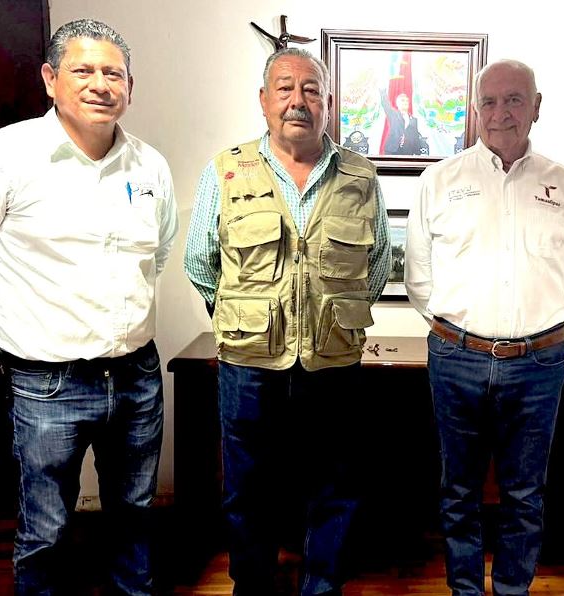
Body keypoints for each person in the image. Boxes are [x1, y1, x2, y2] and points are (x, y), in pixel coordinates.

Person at [0, 18, 178, 595]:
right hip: (47, 383)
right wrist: (13, 319)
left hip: (136, 376)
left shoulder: (150, 166)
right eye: (82, 70)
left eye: (113, 73)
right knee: (47, 527)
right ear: (49, 78)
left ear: (130, 86)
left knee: (134, 514)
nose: (100, 85)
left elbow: (158, 254)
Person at [184, 47, 391, 596]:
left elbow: (376, 265)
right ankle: (253, 587)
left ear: (327, 102)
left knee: (334, 485)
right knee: (248, 487)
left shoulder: (360, 175)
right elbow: (201, 262)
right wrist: (244, 318)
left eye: (310, 89)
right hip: (249, 364)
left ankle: (321, 586)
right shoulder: (226, 170)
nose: (297, 100)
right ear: (263, 100)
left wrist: (333, 317)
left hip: (332, 361)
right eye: (284, 88)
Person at [405, 59, 564, 596]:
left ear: (537, 107)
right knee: (458, 491)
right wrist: (463, 331)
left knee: (525, 494)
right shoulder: (440, 181)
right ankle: (465, 590)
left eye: (514, 100)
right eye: (489, 101)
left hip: (539, 363)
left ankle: (512, 590)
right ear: (474, 110)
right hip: (456, 359)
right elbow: (419, 278)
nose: (501, 113)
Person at [380, 89, 426, 155]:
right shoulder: (393, 114)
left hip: (407, 151)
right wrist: (382, 92)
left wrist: (417, 153)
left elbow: (415, 136)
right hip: (392, 150)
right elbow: (386, 104)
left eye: (407, 101)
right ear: (397, 103)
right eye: (402, 100)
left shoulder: (414, 120)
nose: (405, 102)